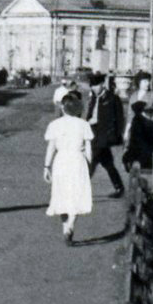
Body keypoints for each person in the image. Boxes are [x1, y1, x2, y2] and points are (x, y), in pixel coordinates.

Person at [43, 90, 94, 245]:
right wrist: (89, 163)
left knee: (62, 192)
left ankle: (65, 226)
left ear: (63, 108)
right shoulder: (84, 125)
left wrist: (46, 166)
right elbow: (89, 149)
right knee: (76, 193)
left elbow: (51, 148)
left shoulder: (54, 125)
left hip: (61, 161)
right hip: (77, 160)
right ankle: (71, 223)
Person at [86, 73, 126, 198]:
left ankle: (79, 188)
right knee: (108, 163)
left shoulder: (113, 98)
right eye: (92, 86)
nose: (94, 88)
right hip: (94, 134)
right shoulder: (93, 98)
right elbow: (90, 114)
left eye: (96, 85)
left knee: (91, 162)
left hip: (104, 136)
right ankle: (119, 188)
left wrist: (118, 136)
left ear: (102, 84)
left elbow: (120, 119)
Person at [123, 100, 153, 174]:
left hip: (135, 150)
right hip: (146, 152)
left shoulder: (136, 120)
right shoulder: (149, 123)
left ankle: (127, 162)